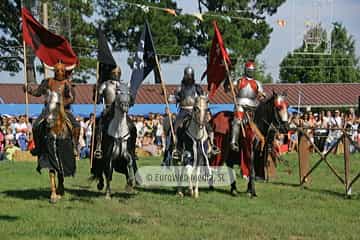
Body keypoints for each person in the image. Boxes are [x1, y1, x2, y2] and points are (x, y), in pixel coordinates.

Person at [24, 60, 80, 156]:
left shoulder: (67, 83)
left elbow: (71, 98)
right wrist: (29, 90)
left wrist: (62, 103)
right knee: (36, 125)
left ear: (64, 72)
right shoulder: (48, 82)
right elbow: (38, 92)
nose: (59, 73)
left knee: (76, 126)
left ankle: (74, 146)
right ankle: (38, 147)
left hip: (63, 110)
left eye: (61, 71)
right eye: (57, 71)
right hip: (48, 110)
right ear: (54, 71)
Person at [229, 61, 266, 191]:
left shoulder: (257, 83)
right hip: (240, 105)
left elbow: (261, 94)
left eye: (252, 70)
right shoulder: (240, 81)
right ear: (245, 70)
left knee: (258, 124)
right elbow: (231, 89)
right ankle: (233, 141)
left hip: (252, 107)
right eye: (249, 70)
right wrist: (231, 84)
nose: (250, 72)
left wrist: (261, 96)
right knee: (237, 121)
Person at [173, 66, 204, 130]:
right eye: (188, 75)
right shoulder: (179, 88)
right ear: (185, 76)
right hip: (183, 110)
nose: (189, 77)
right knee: (176, 125)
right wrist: (177, 98)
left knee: (204, 123)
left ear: (193, 76)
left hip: (194, 110)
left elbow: (202, 98)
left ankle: (209, 137)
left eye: (190, 75)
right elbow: (175, 97)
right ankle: (173, 138)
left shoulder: (197, 87)